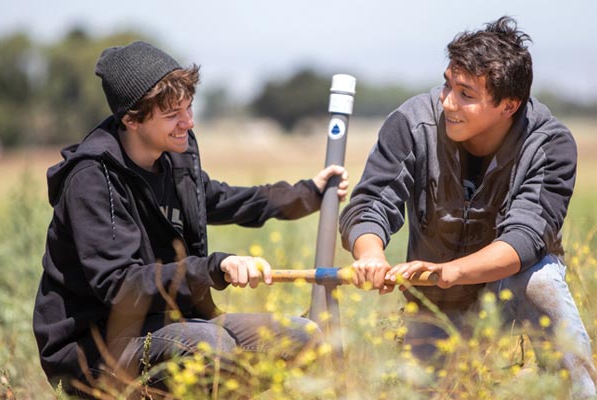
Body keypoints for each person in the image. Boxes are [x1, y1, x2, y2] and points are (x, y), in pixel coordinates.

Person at [32, 40, 349, 397]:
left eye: (189, 107)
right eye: (172, 115)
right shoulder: (92, 179)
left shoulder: (174, 158)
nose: (189, 122)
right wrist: (214, 267)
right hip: (92, 347)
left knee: (303, 337)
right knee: (210, 350)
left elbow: (221, 199)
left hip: (174, 324)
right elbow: (120, 286)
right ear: (131, 119)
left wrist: (308, 194)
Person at [339, 16, 596, 398]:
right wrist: (371, 254)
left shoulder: (550, 144)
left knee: (540, 279)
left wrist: (449, 271)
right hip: (434, 301)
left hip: (506, 295)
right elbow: (372, 201)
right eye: (447, 84)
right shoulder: (411, 122)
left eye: (466, 94)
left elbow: (525, 238)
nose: (448, 102)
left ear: (509, 105)